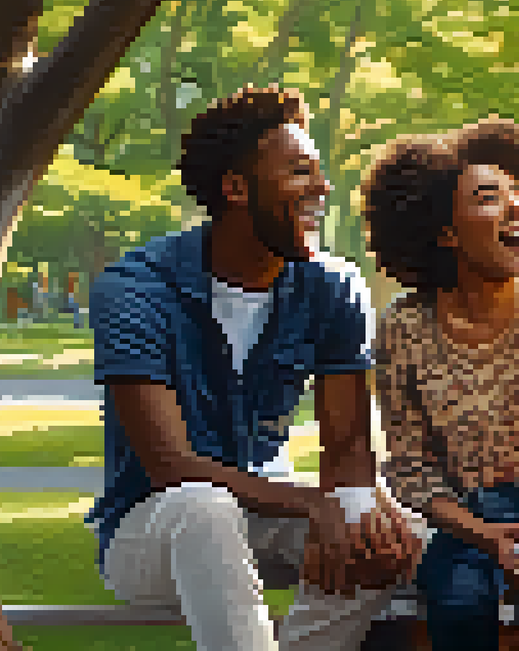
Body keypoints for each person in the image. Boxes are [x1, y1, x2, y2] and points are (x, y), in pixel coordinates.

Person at [87, 86, 422, 651]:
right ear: (235, 188)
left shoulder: (332, 287)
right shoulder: (137, 289)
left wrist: (354, 507)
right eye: (299, 172)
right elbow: (171, 465)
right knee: (205, 506)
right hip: (152, 535)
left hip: (264, 514)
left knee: (391, 534)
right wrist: (315, 503)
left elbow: (346, 446)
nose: (322, 187)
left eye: (318, 172)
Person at [363, 120, 519, 651]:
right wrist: (484, 534)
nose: (518, 205)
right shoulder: (403, 328)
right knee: (458, 601)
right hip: (465, 518)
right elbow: (409, 466)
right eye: (490, 196)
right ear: (446, 231)